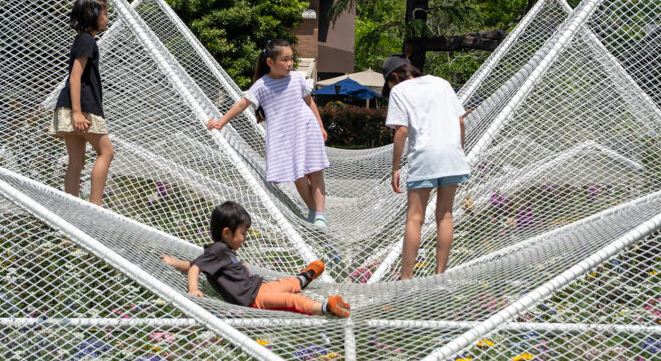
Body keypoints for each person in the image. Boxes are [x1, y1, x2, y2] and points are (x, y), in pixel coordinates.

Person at [206, 39, 330, 228]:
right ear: (270, 62)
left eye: (291, 59)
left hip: (307, 129)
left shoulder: (297, 78)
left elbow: (309, 102)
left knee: (315, 171)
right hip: (286, 138)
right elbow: (241, 105)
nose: (289, 64)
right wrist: (220, 122)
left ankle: (320, 214)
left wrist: (320, 126)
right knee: (299, 176)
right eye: (284, 60)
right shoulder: (262, 85)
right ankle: (313, 210)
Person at [161, 201, 350, 317]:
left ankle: (305, 277)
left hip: (258, 288)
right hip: (252, 298)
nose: (244, 238)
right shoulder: (218, 249)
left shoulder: (222, 251)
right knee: (291, 300)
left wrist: (174, 263)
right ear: (227, 233)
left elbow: (193, 265)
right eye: (242, 233)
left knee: (286, 283)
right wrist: (193, 289)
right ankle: (327, 308)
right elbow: (195, 268)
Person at [383, 56, 469, 279]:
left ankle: (406, 279)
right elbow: (460, 121)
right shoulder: (442, 83)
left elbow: (401, 130)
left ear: (394, 76)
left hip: (424, 156)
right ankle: (439, 276)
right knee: (445, 215)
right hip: (452, 155)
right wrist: (458, 151)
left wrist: (395, 168)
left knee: (415, 218)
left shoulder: (399, 91)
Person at [48, 0, 114, 206]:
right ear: (93, 15)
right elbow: (75, 77)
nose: (107, 18)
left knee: (76, 162)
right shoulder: (87, 40)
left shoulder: (82, 39)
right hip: (82, 108)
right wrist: (77, 112)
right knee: (106, 152)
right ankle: (95, 205)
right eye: (104, 13)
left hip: (70, 106)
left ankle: (73, 210)